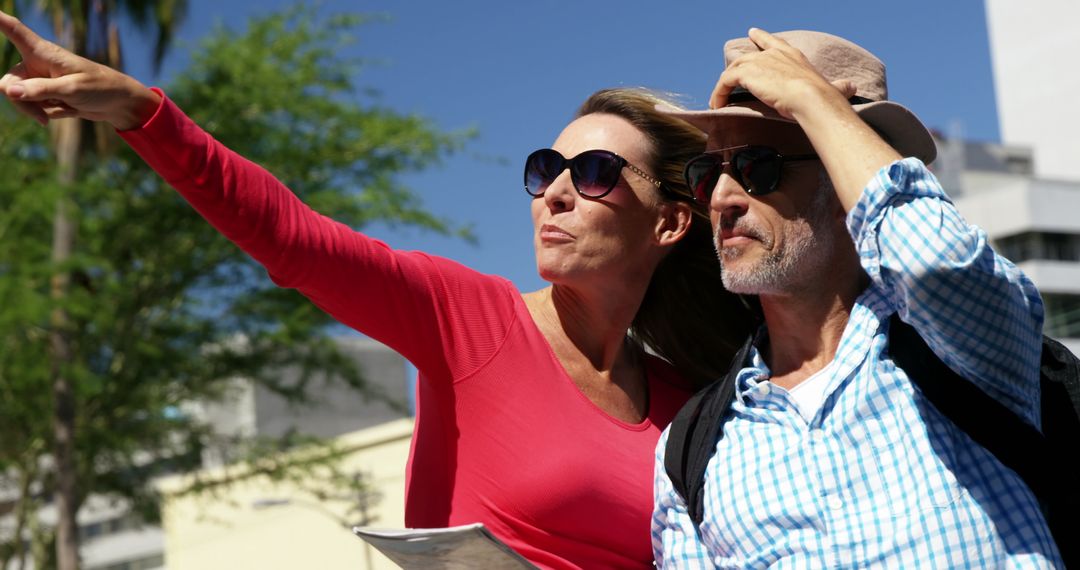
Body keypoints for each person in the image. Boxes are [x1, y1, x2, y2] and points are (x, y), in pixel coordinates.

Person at [0, 11, 753, 570]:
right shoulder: (469, 319)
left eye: (591, 174)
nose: (554, 192)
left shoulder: (688, 406)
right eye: (544, 169)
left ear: (670, 224)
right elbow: (293, 237)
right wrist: (144, 115)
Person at [651, 29, 1063, 568]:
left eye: (757, 166)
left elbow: (933, 262)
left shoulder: (962, 352)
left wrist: (815, 105)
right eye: (708, 173)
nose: (724, 197)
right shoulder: (690, 450)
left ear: (845, 182)